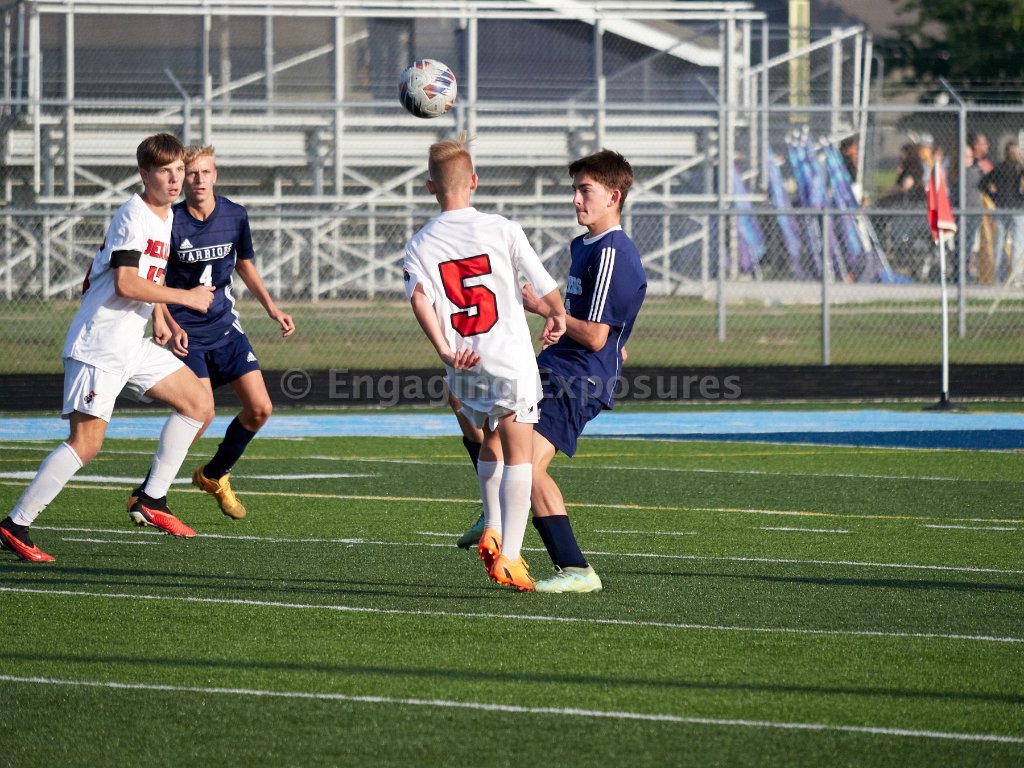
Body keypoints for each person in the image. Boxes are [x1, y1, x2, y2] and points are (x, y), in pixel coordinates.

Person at [0, 133, 216, 562]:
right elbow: (125, 283)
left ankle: (151, 499)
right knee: (86, 443)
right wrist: (187, 298)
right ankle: (15, 525)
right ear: (144, 175)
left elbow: (148, 279)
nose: (176, 179)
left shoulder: (165, 217)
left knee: (199, 404)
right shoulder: (133, 215)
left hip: (129, 344)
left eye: (179, 170)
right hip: (99, 345)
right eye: (165, 172)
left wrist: (162, 319)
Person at [404, 133, 566, 591]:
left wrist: (443, 349)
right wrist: (556, 313)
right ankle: (511, 556)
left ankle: (492, 524)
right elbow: (542, 281)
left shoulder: (421, 243)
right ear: (473, 181)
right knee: (520, 454)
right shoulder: (502, 228)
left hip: (464, 363)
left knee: (490, 439)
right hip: (508, 358)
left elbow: (419, 298)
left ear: (430, 188)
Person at [129, 145, 296, 520]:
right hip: (186, 332)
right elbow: (153, 277)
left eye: (205, 172)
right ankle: (148, 492)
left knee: (260, 409)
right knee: (200, 413)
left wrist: (272, 308)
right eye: (191, 173)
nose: (198, 179)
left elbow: (244, 264)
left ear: (215, 175)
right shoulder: (170, 222)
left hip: (225, 327)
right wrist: (164, 320)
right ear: (182, 178)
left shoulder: (235, 215)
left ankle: (214, 474)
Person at [524, 149, 647, 593]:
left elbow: (596, 337)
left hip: (578, 379)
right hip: (560, 364)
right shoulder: (584, 245)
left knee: (526, 467)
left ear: (613, 196)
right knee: (492, 420)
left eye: (585, 190)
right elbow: (600, 326)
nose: (576, 199)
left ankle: (576, 568)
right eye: (575, 190)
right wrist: (562, 325)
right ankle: (499, 507)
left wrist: (545, 310)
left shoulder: (613, 251)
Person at [980, 141, 1024, 284]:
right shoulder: (1019, 168)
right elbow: (983, 184)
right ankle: (1015, 277)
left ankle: (999, 277)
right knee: (1017, 243)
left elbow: (983, 184)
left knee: (1000, 242)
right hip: (1017, 208)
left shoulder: (1000, 168)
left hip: (1002, 207)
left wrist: (995, 197)